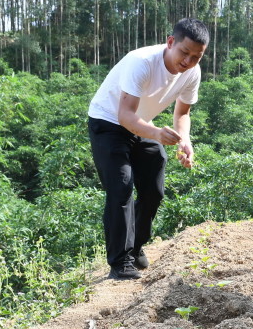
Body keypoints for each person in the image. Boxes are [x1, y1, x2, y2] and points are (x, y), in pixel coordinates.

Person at [87, 18, 209, 280]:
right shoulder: (141, 61)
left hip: (143, 125)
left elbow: (183, 113)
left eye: (196, 57)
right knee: (121, 187)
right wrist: (156, 134)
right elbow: (125, 116)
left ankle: (136, 247)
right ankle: (119, 263)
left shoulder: (192, 73)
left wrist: (185, 141)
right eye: (184, 53)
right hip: (109, 123)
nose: (188, 62)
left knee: (154, 189)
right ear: (170, 42)